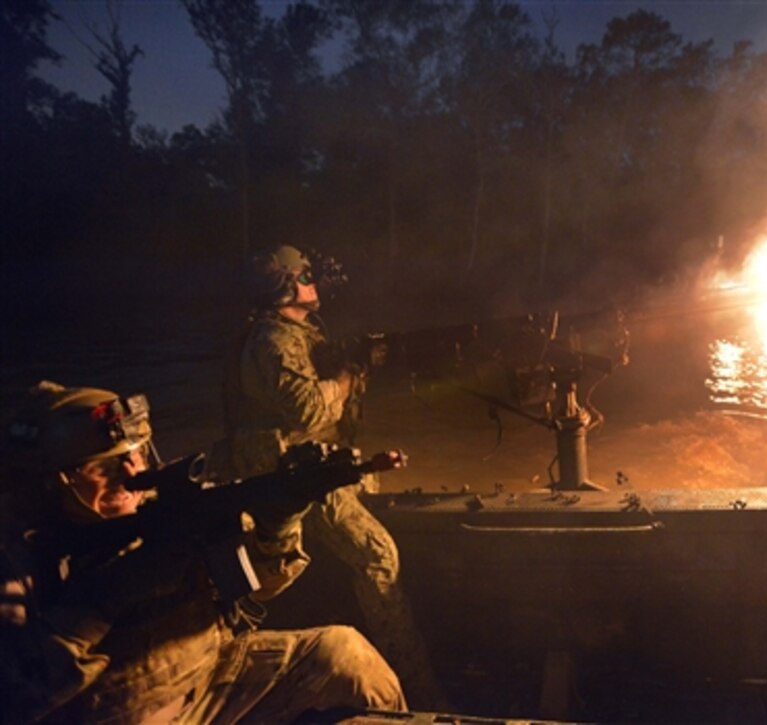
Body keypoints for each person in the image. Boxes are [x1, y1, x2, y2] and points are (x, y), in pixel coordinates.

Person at [0, 381, 406, 723]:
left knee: (343, 653)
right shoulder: (18, 557)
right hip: (113, 711)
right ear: (57, 480)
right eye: (104, 466)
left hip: (209, 677)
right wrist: (105, 597)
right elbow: (13, 697)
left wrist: (278, 521)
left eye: (135, 454)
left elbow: (259, 587)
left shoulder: (164, 508)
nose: (131, 474)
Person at [217, 244, 444, 709]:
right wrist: (342, 377)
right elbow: (308, 407)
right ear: (282, 286)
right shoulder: (272, 340)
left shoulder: (296, 332)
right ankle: (416, 687)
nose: (312, 282)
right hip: (292, 472)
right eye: (303, 276)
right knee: (378, 555)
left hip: (312, 462)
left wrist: (359, 365)